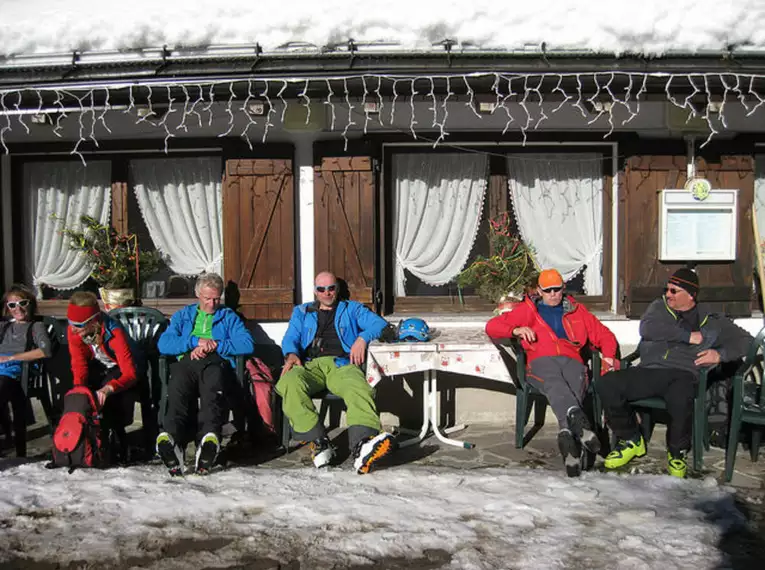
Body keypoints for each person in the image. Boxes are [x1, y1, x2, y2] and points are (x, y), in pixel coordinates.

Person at [597, 268, 753, 478]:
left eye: (673, 290)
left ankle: (676, 452)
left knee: (681, 398)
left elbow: (747, 341)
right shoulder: (659, 308)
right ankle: (631, 439)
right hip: (650, 370)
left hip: (683, 373)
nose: (667, 294)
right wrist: (687, 336)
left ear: (690, 295)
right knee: (607, 384)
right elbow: (647, 329)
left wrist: (719, 354)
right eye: (667, 289)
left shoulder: (713, 320)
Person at [485, 268, 619, 477]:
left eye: (557, 289)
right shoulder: (527, 310)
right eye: (548, 290)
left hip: (572, 360)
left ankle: (568, 436)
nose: (553, 294)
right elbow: (492, 326)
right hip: (541, 361)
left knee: (574, 381)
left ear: (563, 288)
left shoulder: (577, 311)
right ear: (539, 290)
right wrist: (515, 330)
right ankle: (576, 421)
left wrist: (609, 357)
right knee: (554, 381)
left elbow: (605, 335)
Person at [277, 271, 394, 474]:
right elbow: (290, 337)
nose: (327, 293)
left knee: (358, 387)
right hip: (309, 365)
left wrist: (362, 338)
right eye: (321, 289)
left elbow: (380, 324)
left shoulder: (351, 309)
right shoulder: (302, 312)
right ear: (315, 290)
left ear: (337, 290)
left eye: (331, 288)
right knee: (289, 382)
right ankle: (318, 441)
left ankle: (363, 445)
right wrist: (291, 354)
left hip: (341, 364)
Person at [156, 273, 254, 475]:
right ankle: (172, 439)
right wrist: (194, 342)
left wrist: (217, 344)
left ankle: (208, 439)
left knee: (212, 391)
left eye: (216, 298)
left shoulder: (228, 317)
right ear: (198, 296)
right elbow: (164, 344)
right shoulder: (183, 316)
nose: (212, 304)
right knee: (177, 392)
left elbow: (247, 343)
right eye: (207, 299)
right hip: (188, 361)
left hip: (215, 362)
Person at [67, 291, 145, 463]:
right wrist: (79, 389)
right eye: (71, 323)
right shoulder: (74, 332)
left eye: (79, 325)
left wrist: (109, 388)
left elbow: (130, 373)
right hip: (100, 366)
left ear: (93, 321)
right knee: (79, 391)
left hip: (126, 368)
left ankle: (119, 442)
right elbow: (79, 364)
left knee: (108, 394)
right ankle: (87, 441)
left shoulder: (114, 332)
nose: (73, 328)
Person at [0, 284, 53, 457]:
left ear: (30, 303)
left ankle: (10, 440)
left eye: (22, 303)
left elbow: (45, 351)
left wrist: (11, 358)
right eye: (12, 305)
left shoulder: (36, 327)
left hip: (17, 371)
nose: (18, 308)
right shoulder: (4, 327)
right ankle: (6, 436)